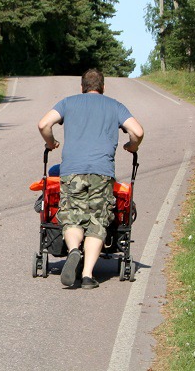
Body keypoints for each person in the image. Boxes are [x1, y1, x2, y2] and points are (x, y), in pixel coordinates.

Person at [37, 69, 144, 289]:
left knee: (72, 217)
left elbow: (43, 124)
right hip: (101, 172)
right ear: (103, 87)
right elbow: (138, 132)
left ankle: (74, 250)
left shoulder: (68, 102)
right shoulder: (115, 106)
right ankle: (87, 275)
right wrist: (131, 145)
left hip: (72, 171)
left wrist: (51, 143)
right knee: (97, 222)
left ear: (82, 87)